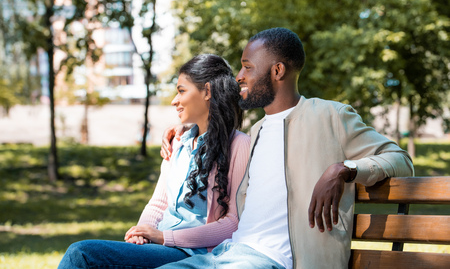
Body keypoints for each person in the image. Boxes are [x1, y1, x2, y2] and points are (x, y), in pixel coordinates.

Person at [159, 27, 414, 269]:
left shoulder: (330, 116)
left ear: (277, 71)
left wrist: (343, 169)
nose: (239, 76)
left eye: (247, 67)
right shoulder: (257, 131)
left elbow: (401, 161)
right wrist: (184, 132)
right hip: (229, 253)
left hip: (275, 259)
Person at [57, 54, 251, 269]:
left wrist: (164, 237)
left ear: (207, 91)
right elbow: (158, 204)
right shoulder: (177, 142)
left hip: (192, 253)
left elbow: (232, 223)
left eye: (181, 91)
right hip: (157, 245)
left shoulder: (239, 145)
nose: (174, 100)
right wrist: (141, 233)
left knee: (81, 254)